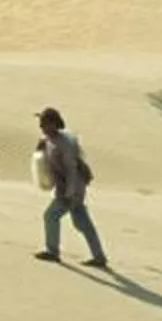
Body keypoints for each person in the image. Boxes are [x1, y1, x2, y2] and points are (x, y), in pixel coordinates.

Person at [32, 107, 107, 268]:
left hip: (72, 188)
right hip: (67, 188)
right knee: (82, 222)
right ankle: (99, 257)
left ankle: (52, 251)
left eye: (44, 123)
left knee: (51, 216)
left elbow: (71, 170)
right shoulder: (51, 140)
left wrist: (70, 193)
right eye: (41, 124)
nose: (41, 127)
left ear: (54, 124)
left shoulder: (65, 144)